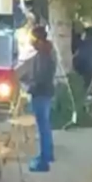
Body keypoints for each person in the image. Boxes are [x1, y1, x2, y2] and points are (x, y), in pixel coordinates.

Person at [20, 25, 57, 172]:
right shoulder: (46, 52)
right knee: (45, 126)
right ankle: (48, 155)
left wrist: (28, 86)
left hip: (41, 93)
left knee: (43, 127)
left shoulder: (43, 55)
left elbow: (40, 77)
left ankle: (44, 158)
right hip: (45, 92)